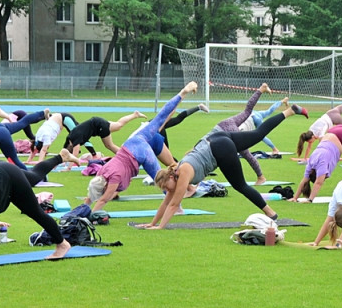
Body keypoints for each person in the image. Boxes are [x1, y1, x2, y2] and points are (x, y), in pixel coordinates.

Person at [137, 100, 308, 229]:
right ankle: (290, 111)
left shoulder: (183, 173)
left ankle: (270, 212)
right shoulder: (174, 174)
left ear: (170, 177)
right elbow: (166, 202)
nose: (169, 190)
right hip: (218, 138)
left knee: (240, 185)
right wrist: (152, 223)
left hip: (219, 149)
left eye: (168, 186)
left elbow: (173, 205)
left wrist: (159, 228)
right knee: (258, 134)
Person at [86, 83, 198, 212]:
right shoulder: (100, 174)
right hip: (132, 142)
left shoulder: (113, 178)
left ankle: (177, 207)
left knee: (161, 180)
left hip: (141, 152)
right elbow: (93, 195)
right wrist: (81, 210)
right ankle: (183, 93)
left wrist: (88, 215)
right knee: (159, 118)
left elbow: (103, 200)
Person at [209, 84, 307, 185]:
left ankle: (264, 171)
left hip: (238, 127)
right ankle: (267, 93)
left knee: (255, 143)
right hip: (237, 120)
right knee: (258, 113)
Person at [62, 110, 148, 159]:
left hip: (99, 126)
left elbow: (75, 155)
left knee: (109, 145)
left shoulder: (74, 139)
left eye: (70, 150)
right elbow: (87, 144)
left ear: (69, 145)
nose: (73, 150)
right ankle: (135, 115)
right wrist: (94, 155)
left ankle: (129, 157)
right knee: (118, 125)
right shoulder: (72, 137)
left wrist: (68, 168)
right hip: (97, 123)